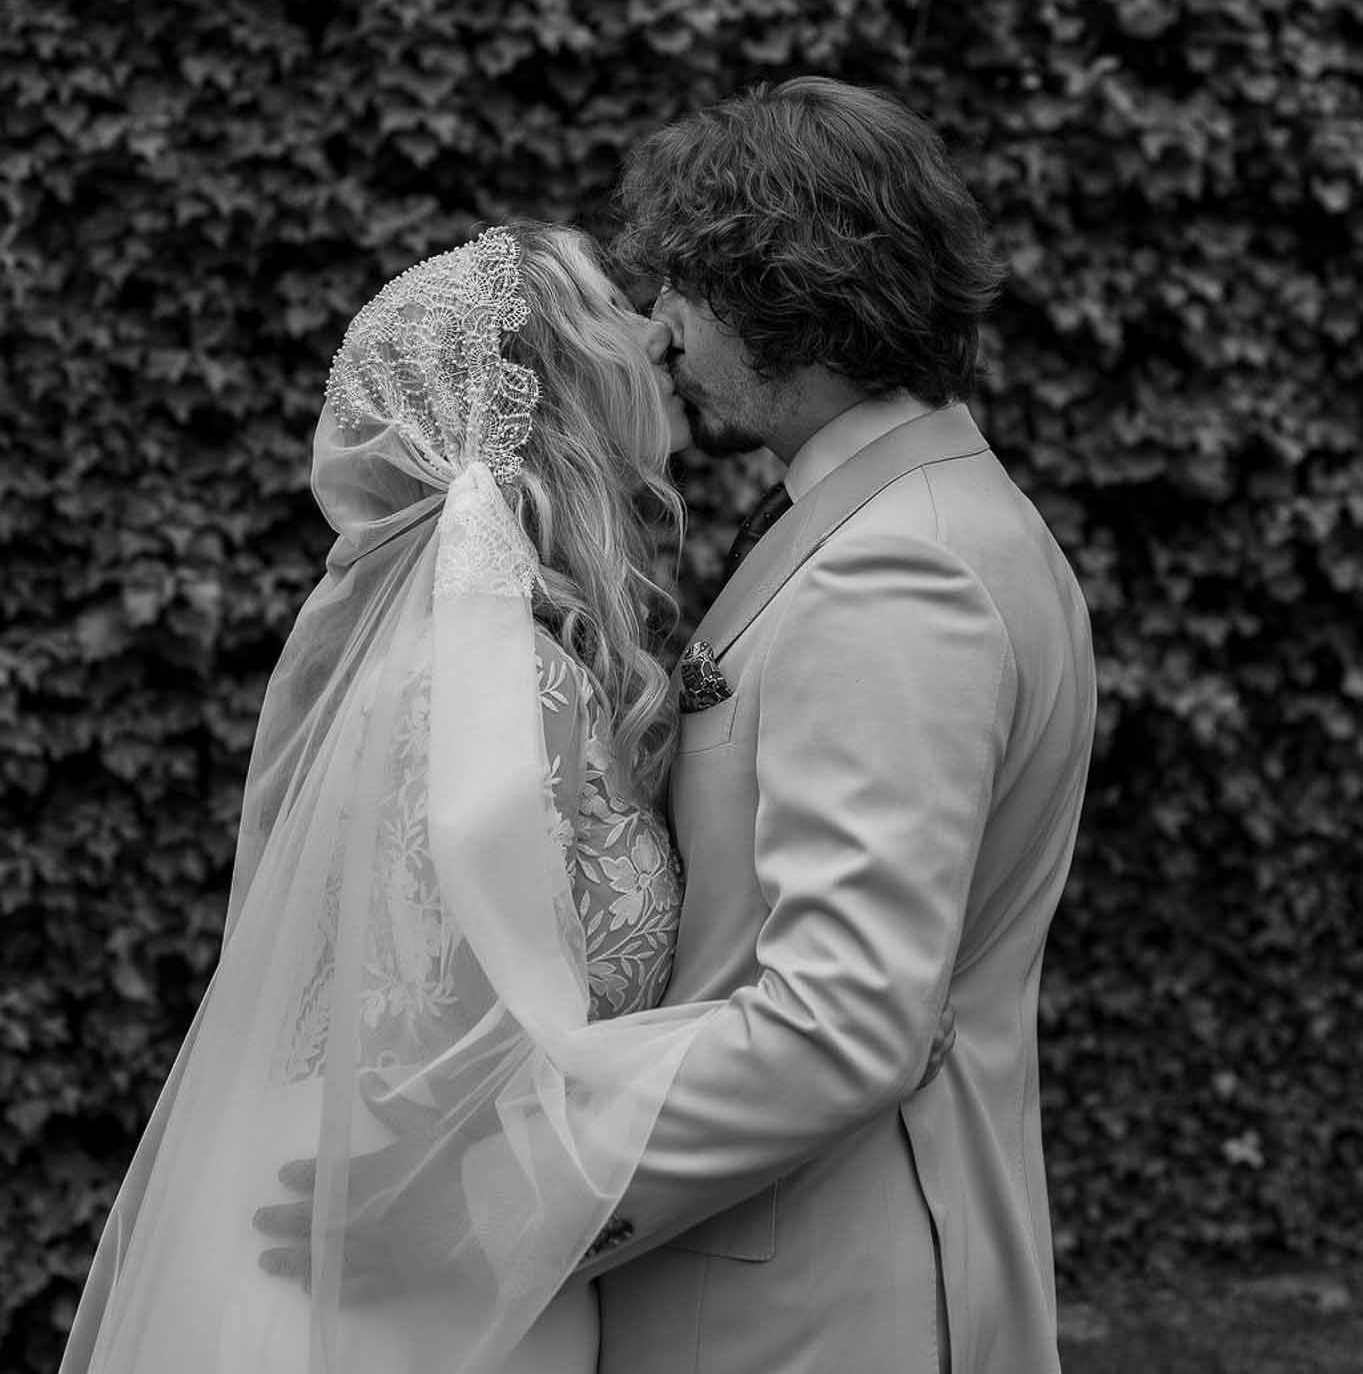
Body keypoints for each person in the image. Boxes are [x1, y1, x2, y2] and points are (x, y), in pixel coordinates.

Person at [59, 222, 724, 1374]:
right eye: (612, 305)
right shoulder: (503, 679)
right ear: (562, 386)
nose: (651, 326)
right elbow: (481, 1030)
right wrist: (815, 1032)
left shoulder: (504, 663)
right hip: (399, 1236)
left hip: (414, 1206)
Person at [570, 76, 1099, 1374]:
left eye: (682, 289)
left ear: (782, 299)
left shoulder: (895, 572)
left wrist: (523, 1178)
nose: (659, 332)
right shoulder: (920, 510)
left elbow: (838, 1019)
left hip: (810, 1293)